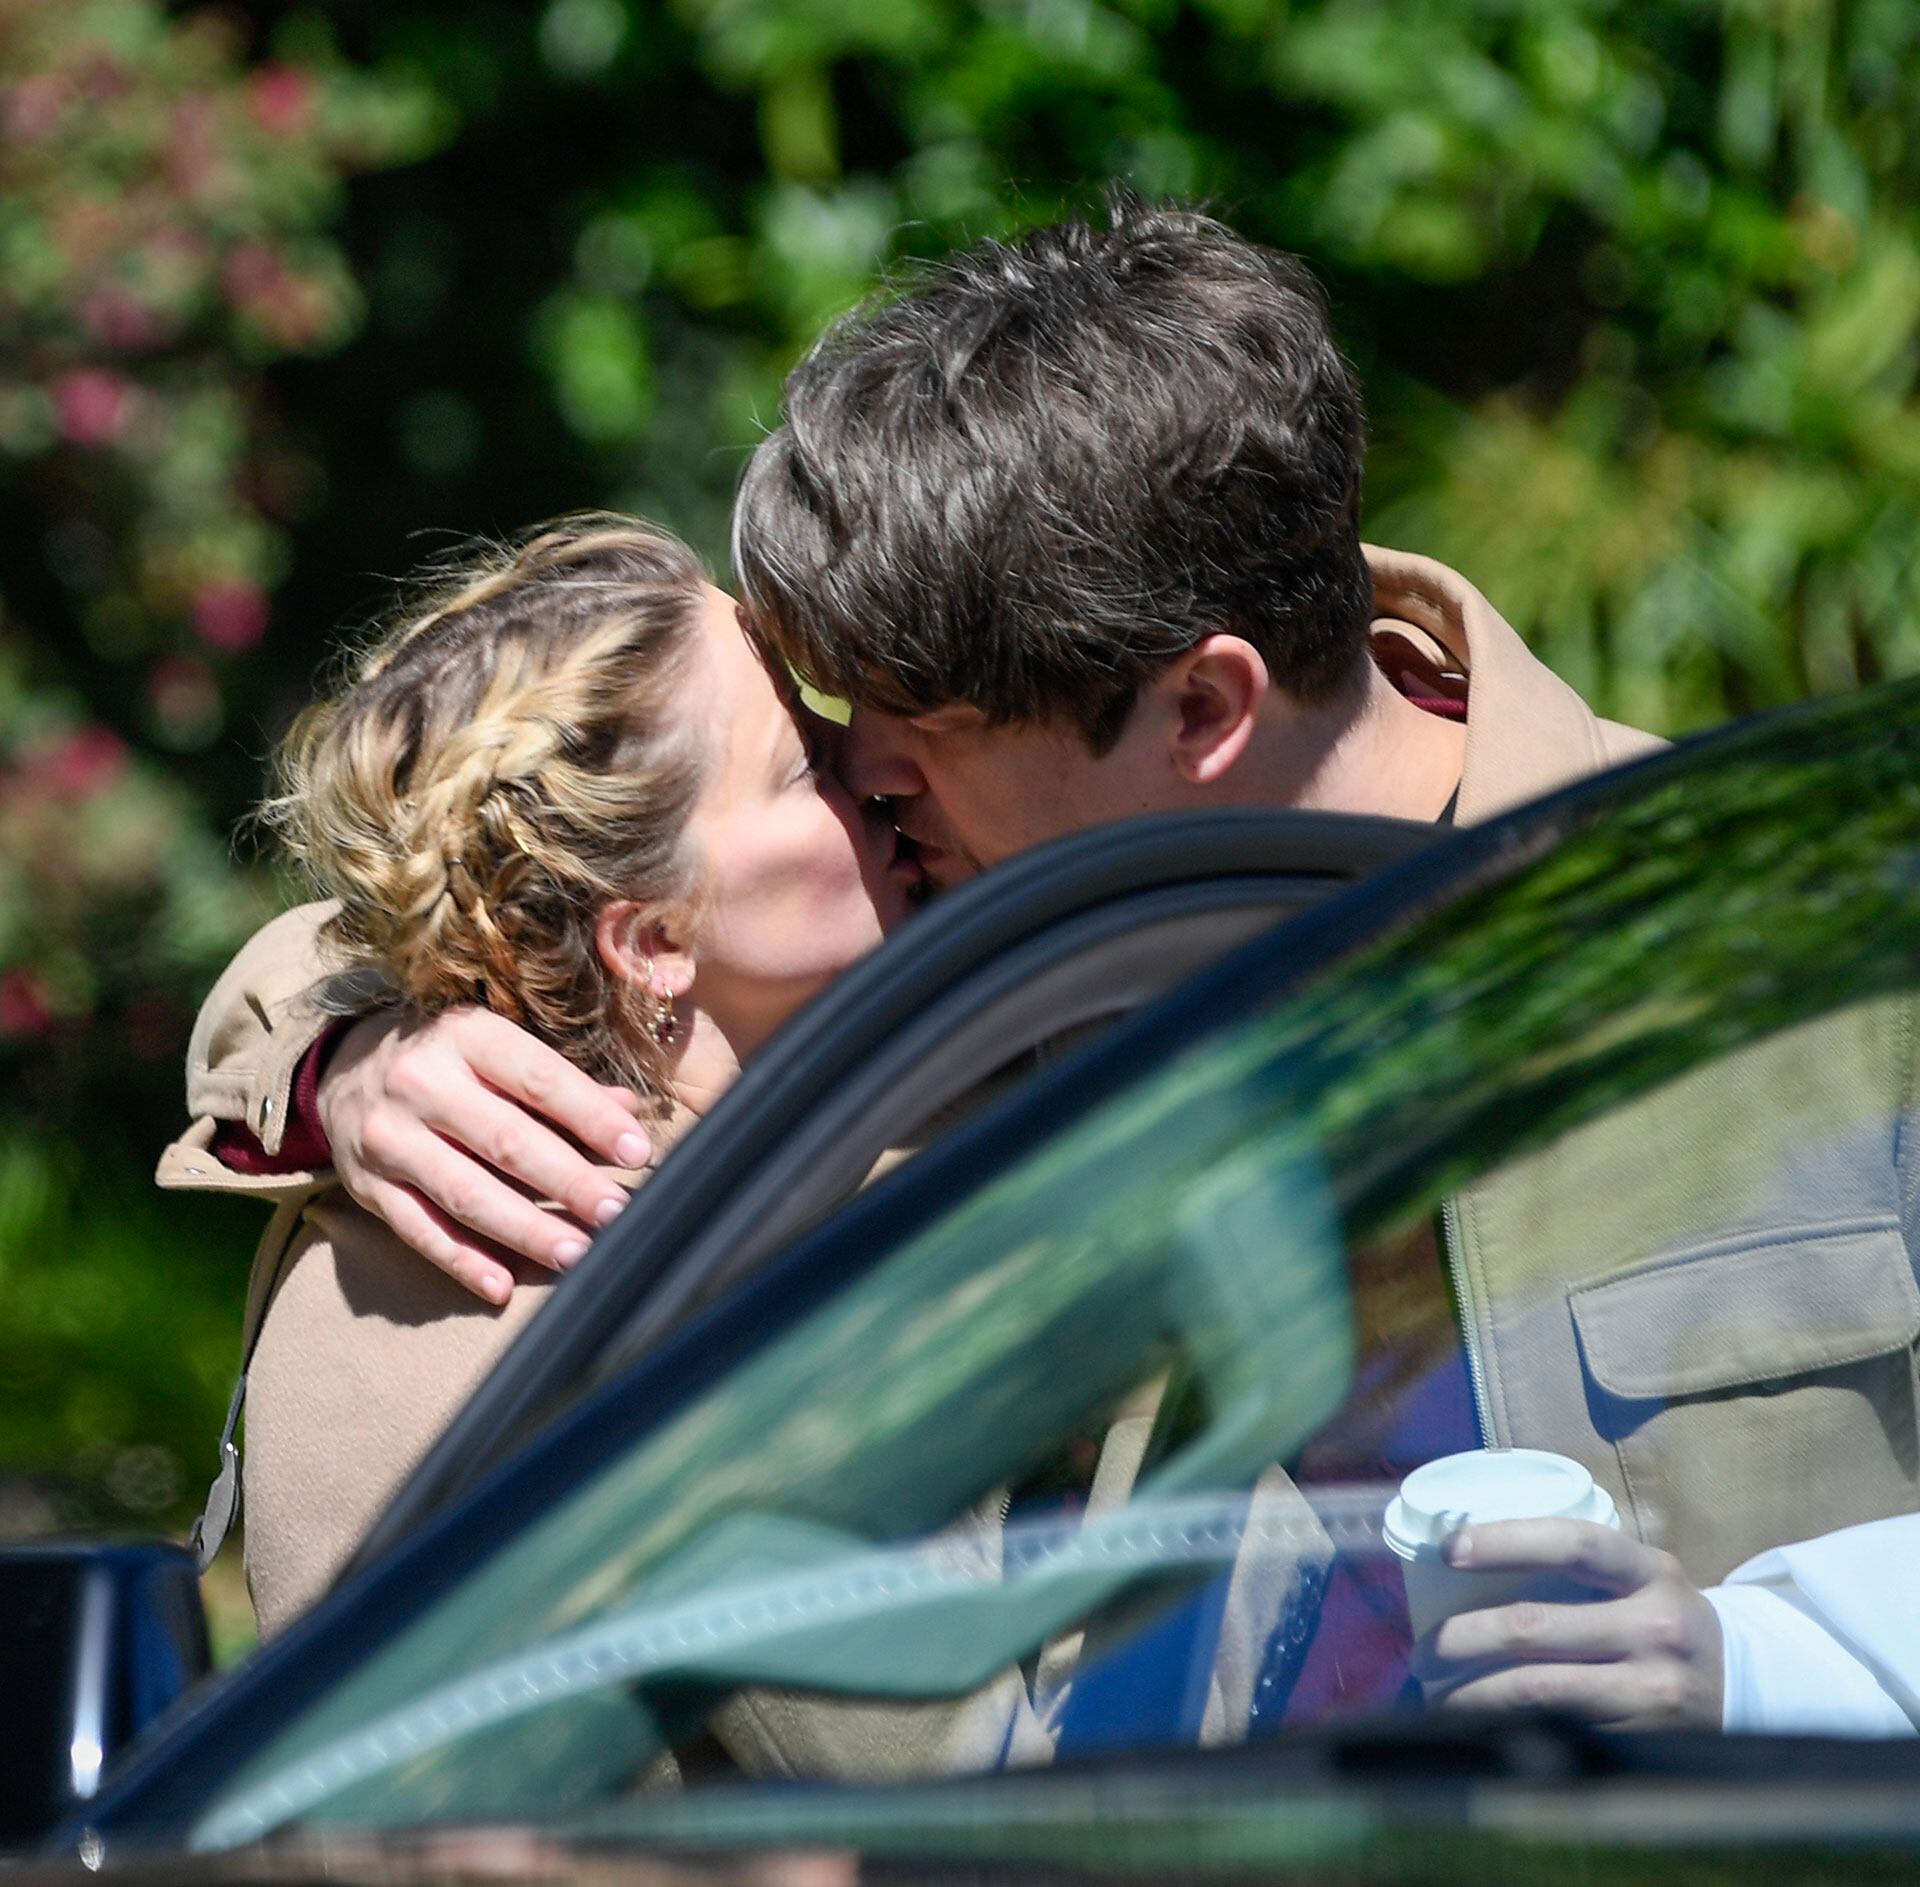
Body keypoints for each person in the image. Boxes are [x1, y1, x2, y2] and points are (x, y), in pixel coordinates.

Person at [166, 196, 1920, 1737]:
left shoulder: (1829, 957)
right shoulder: (990, 960)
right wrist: (354, 1055)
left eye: (912, 729)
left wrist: (1762, 1668)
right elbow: (529, 901)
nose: (870, 783)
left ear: (1207, 707)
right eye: (825, 734)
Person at [173, 515, 925, 1634]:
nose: (870, 766)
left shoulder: (744, 1141)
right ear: (655, 943)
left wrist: (349, 1052)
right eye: (805, 764)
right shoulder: (652, 1318)